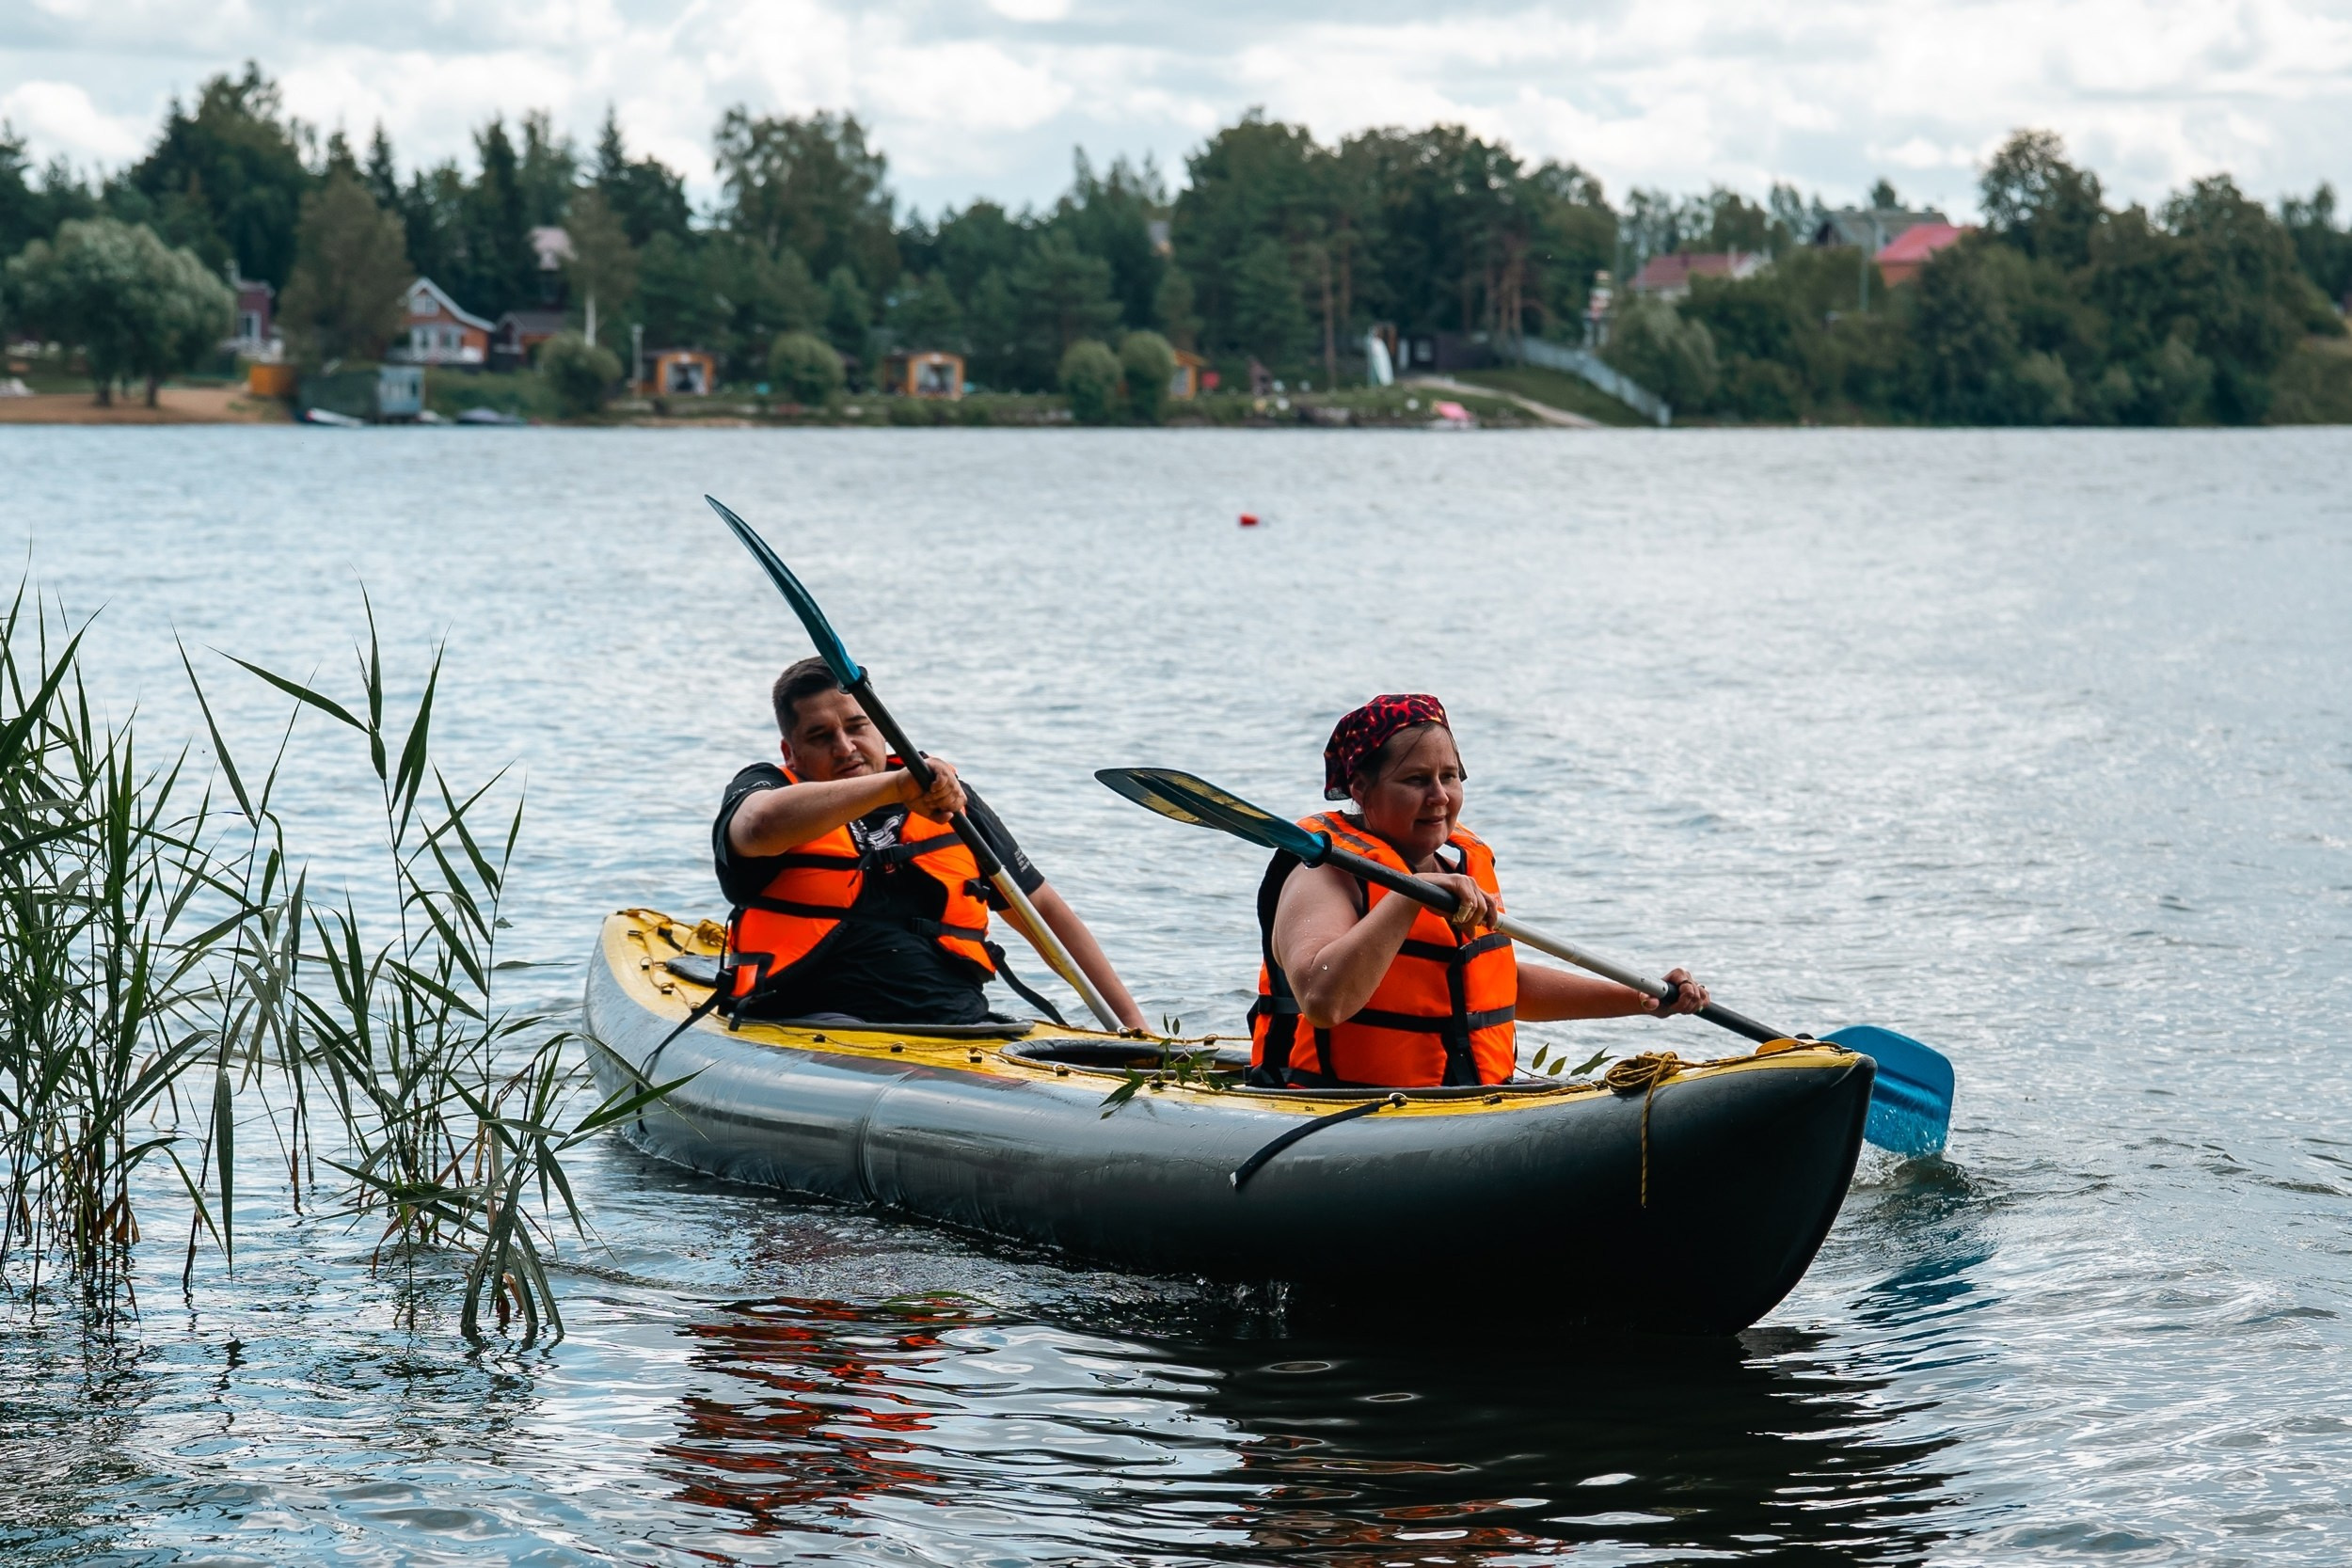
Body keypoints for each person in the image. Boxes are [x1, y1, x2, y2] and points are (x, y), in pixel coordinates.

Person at [1249, 693, 1708, 1088]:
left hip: (1460, 1103)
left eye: (1449, 777)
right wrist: (1413, 894)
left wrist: (1643, 999)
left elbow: (1500, 983)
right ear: (1361, 788)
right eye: (1415, 780)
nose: (1440, 797)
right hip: (1335, 1108)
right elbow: (1322, 1002)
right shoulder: (1322, 874)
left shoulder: (1458, 865)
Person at [716, 657, 1147, 1030]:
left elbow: (1043, 913)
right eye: (820, 736)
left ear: (881, 730)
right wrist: (897, 785)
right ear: (790, 753)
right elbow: (759, 827)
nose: (845, 747)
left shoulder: (943, 794)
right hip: (808, 1020)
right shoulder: (765, 788)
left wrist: (1136, 1029)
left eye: (856, 726)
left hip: (956, 1028)